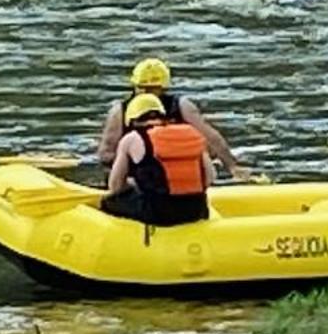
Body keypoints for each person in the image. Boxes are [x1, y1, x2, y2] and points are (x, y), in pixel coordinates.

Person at [95, 58, 246, 177]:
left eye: (154, 89)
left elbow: (211, 138)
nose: (149, 93)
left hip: (178, 169)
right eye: (144, 88)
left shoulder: (182, 106)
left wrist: (232, 166)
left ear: (163, 88)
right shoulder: (120, 111)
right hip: (138, 174)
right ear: (135, 86)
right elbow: (106, 154)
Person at [102, 93, 214, 226]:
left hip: (158, 214)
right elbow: (209, 178)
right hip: (197, 210)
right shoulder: (192, 133)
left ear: (132, 121)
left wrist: (133, 185)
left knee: (109, 202)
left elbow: (115, 186)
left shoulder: (131, 138)